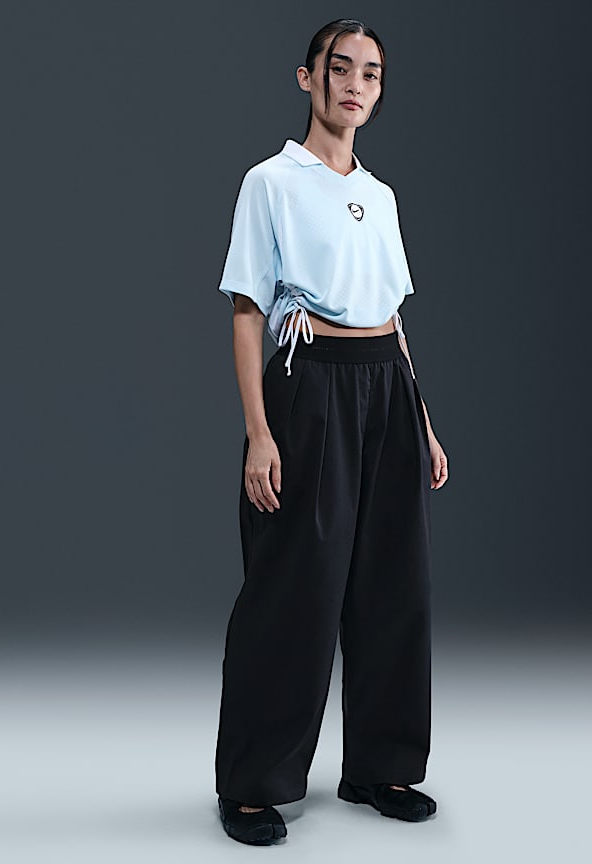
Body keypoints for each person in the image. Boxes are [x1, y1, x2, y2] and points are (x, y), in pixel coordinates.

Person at [213, 18, 448, 845]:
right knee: (295, 586)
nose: (354, 85)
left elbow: (392, 314)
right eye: (339, 68)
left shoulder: (380, 196)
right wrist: (259, 433)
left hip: (386, 383)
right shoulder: (271, 182)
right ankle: (253, 783)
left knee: (394, 582)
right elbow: (248, 311)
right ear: (307, 78)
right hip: (310, 380)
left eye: (370, 74)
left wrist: (423, 421)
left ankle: (380, 766)